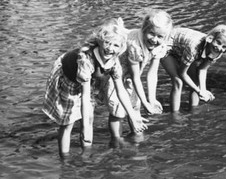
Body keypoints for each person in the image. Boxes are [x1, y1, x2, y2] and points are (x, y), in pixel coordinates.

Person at [42, 18, 147, 157]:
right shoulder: (86, 59)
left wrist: (133, 115)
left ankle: (86, 155)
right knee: (68, 122)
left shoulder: (114, 62)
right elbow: (85, 97)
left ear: (121, 48)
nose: (110, 48)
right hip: (69, 78)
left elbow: (120, 90)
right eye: (107, 43)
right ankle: (64, 158)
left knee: (89, 117)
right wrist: (85, 127)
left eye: (115, 45)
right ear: (99, 41)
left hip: (89, 79)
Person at [107, 9, 172, 142]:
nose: (155, 39)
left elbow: (152, 73)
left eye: (160, 37)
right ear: (143, 30)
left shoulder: (160, 45)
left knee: (135, 105)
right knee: (118, 110)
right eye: (151, 34)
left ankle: (136, 137)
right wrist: (145, 102)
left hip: (131, 75)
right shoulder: (135, 45)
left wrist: (151, 99)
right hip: (114, 73)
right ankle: (117, 141)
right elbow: (136, 76)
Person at [160, 23, 226, 112]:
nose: (219, 48)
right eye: (218, 42)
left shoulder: (218, 52)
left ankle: (193, 112)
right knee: (178, 81)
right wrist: (199, 91)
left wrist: (203, 90)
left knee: (195, 81)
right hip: (168, 45)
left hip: (182, 49)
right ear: (211, 38)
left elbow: (202, 69)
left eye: (224, 47)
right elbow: (182, 73)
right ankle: (175, 115)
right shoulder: (194, 47)